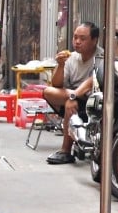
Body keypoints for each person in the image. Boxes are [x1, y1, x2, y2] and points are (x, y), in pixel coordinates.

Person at [44, 22, 102, 165]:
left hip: (92, 101)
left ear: (94, 40)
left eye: (83, 38)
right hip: (73, 98)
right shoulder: (71, 58)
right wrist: (61, 65)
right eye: (75, 38)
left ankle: (65, 151)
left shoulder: (101, 57)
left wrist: (72, 96)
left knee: (71, 109)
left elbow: (92, 81)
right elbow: (56, 85)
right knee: (48, 91)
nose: (77, 42)